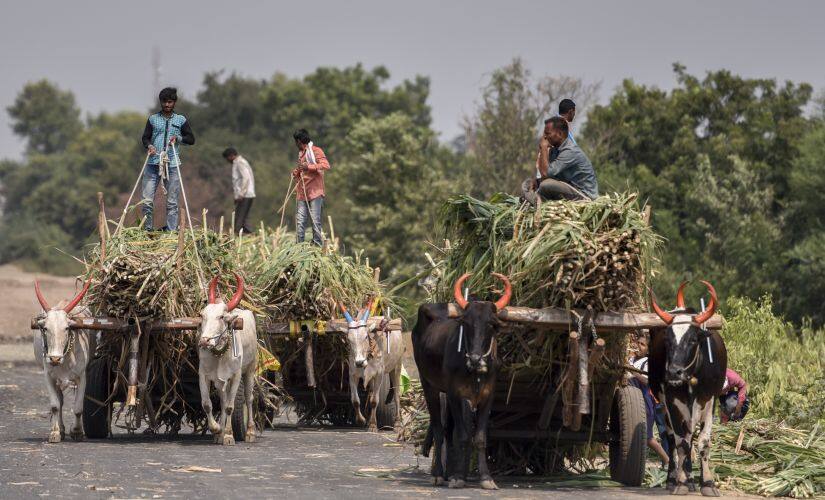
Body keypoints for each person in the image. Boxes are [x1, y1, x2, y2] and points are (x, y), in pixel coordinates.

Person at [140, 87, 195, 231]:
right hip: (153, 164)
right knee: (147, 201)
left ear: (174, 102)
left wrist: (178, 138)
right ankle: (148, 230)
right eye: (164, 102)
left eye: (170, 102)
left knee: (172, 202)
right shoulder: (153, 119)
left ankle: (171, 231)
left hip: (172, 164)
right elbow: (145, 137)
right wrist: (149, 146)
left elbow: (191, 139)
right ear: (161, 102)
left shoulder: (180, 120)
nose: (167, 105)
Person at [521, 116, 598, 203]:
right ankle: (532, 198)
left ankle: (534, 201)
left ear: (560, 134)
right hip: (567, 187)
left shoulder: (570, 151)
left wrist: (543, 147)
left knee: (546, 185)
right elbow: (547, 175)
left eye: (548, 133)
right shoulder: (555, 150)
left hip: (583, 194)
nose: (545, 137)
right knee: (527, 184)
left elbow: (546, 174)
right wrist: (536, 182)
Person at [629, 333, 670, 467]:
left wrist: (633, 372)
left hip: (645, 401)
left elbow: (648, 381)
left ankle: (667, 460)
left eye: (643, 344)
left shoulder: (648, 363)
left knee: (647, 437)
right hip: (631, 402)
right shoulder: (631, 359)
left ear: (648, 349)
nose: (639, 347)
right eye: (638, 343)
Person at [292, 129, 330, 246]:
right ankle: (299, 247)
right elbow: (302, 169)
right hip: (302, 193)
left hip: (315, 192)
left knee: (315, 220)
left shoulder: (315, 151)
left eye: (295, 142)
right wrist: (296, 172)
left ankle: (317, 244)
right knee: (300, 221)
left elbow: (326, 165)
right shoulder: (301, 154)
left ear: (299, 141)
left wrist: (309, 167)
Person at [222, 147, 256, 234]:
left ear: (231, 156)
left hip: (245, 195)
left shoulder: (240, 162)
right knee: (243, 218)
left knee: (239, 220)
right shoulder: (239, 162)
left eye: (227, 158)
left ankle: (240, 236)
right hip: (245, 195)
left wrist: (241, 194)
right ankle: (250, 235)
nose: (227, 161)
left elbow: (246, 178)